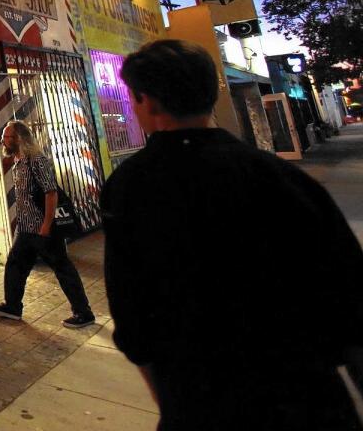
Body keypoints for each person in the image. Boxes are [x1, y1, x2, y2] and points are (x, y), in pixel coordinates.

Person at [103, 39, 363, 430]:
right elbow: (349, 297)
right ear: (209, 96)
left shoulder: (130, 187)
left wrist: (174, 403)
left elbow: (133, 315)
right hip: (309, 399)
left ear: (147, 102)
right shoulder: (281, 177)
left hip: (199, 397)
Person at [0, 120, 94, 328]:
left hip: (43, 229)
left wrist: (46, 225)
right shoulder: (19, 162)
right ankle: (12, 306)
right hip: (27, 229)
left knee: (62, 268)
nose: (2, 140)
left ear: (18, 139)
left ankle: (84, 312)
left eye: (6, 136)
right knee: (15, 265)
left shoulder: (36, 160)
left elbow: (50, 192)